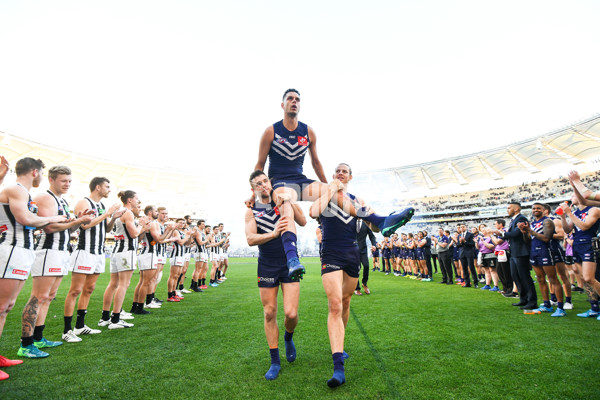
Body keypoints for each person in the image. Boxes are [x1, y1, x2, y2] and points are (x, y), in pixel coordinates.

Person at [251, 89, 414, 280]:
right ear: (282, 105)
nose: (294, 102)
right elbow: (259, 165)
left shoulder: (308, 131)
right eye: (290, 99)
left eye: (297, 99)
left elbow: (316, 162)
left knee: (336, 193)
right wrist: (255, 194)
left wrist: (329, 186)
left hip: (300, 179)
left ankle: (380, 221)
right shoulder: (271, 131)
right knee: (286, 204)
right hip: (279, 182)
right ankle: (292, 259)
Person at [309, 163, 376, 388]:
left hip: (352, 253)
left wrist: (378, 219)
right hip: (330, 251)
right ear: (333, 175)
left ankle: (340, 344)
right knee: (335, 305)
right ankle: (338, 367)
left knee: (346, 302)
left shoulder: (357, 200)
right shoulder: (325, 194)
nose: (340, 173)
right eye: (337, 170)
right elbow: (312, 213)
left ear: (350, 176)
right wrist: (331, 188)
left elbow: (373, 227)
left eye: (344, 171)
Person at [19, 166, 94, 357]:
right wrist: (76, 221)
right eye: (63, 181)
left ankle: (38, 338)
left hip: (61, 252)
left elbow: (66, 229)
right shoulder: (45, 197)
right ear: (51, 180)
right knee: (38, 296)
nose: (67, 184)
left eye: (69, 181)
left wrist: (79, 220)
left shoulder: (61, 199)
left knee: (49, 296)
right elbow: (50, 227)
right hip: (48, 251)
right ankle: (26, 344)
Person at [0, 158, 67, 374]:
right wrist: (57, 217)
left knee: (6, 307)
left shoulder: (21, 191)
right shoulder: (17, 189)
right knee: (1, 307)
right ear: (35, 172)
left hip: (20, 251)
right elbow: (25, 218)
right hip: (11, 249)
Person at [245, 170, 306, 380]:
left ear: (269, 182)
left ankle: (289, 337)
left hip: (289, 263)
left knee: (291, 314)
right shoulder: (251, 210)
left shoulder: (282, 200)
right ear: (253, 189)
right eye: (258, 184)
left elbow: (303, 221)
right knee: (270, 312)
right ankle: (275, 361)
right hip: (267, 264)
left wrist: (289, 199)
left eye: (265, 181)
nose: (263, 185)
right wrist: (273, 234)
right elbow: (250, 239)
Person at [63, 177, 124, 342]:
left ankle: (80, 326)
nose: (109, 189)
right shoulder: (84, 202)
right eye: (107, 186)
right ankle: (67, 330)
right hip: (84, 251)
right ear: (98, 187)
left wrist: (112, 218)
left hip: (98, 253)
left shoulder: (102, 206)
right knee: (75, 291)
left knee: (89, 289)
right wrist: (108, 213)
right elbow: (84, 225)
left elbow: (105, 229)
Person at [100, 191, 151, 328]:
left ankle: (105, 317)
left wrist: (142, 227)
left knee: (113, 284)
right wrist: (141, 224)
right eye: (136, 199)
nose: (138, 201)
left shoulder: (119, 211)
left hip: (117, 251)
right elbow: (134, 234)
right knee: (123, 284)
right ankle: (115, 319)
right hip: (126, 252)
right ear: (129, 200)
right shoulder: (127, 213)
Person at [559, 195, 600, 319]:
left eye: (574, 195)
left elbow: (584, 226)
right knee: (584, 279)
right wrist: (563, 217)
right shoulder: (576, 212)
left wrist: (569, 213)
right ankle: (594, 308)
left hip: (588, 244)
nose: (571, 198)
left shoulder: (593, 209)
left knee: (590, 278)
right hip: (577, 245)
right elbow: (567, 229)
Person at [522, 203, 565, 316]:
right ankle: (547, 305)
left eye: (538, 208)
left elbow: (546, 238)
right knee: (540, 279)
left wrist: (530, 231)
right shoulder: (532, 223)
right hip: (534, 251)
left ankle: (560, 308)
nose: (535, 210)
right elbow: (528, 240)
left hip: (545, 251)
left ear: (543, 210)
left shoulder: (547, 221)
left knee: (552, 279)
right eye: (533, 208)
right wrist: (524, 232)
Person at [495, 201, 537, 310]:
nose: (507, 210)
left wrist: (501, 234)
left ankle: (531, 301)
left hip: (521, 252)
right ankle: (523, 299)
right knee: (515, 275)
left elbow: (516, 234)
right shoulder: (514, 220)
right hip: (514, 252)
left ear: (516, 209)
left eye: (509, 208)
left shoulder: (521, 219)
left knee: (524, 276)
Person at [354, 219, 376, 295]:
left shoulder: (366, 224)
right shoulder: (350, 223)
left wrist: (374, 245)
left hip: (363, 250)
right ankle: (357, 288)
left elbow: (372, 236)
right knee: (356, 268)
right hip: (353, 250)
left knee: (366, 266)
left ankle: (364, 283)